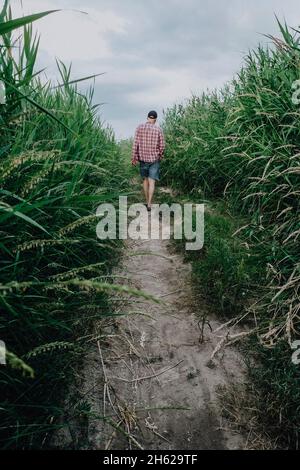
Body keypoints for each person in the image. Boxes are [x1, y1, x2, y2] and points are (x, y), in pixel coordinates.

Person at [131, 110, 165, 211]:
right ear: (155, 119)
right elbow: (162, 145)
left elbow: (135, 144)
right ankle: (150, 203)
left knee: (145, 180)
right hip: (154, 159)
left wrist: (134, 157)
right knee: (152, 181)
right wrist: (160, 154)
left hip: (143, 159)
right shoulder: (158, 129)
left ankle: (146, 201)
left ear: (147, 118)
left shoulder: (139, 127)